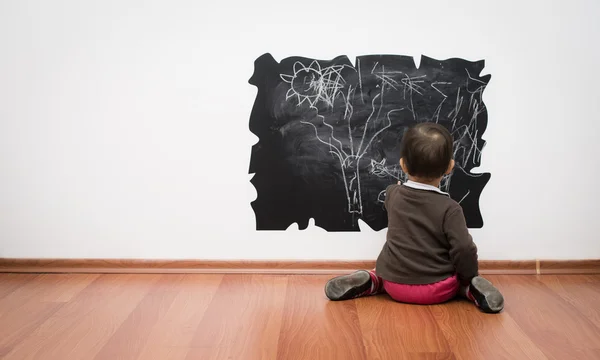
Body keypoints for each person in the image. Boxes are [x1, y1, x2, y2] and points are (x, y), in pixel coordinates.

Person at [324, 123, 504, 313]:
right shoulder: (450, 209)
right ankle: (470, 290)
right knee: (457, 282)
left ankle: (373, 280)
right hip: (437, 289)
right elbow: (464, 248)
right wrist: (469, 276)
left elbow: (395, 194)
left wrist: (399, 187)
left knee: (383, 275)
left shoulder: (393, 195)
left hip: (394, 286)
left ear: (403, 164)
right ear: (450, 167)